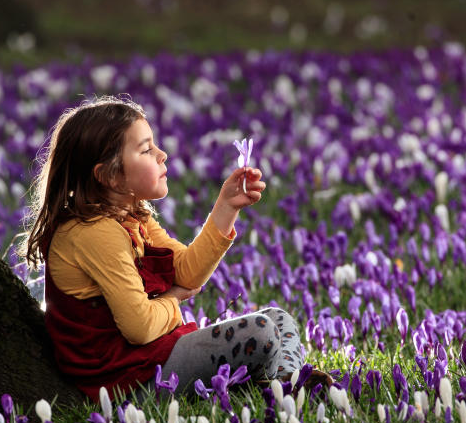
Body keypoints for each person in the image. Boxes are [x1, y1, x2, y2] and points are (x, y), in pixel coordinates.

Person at [21, 95, 311, 399]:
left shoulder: (131, 216)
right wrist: (173, 299)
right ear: (109, 175)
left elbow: (187, 273)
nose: (162, 155)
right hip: (128, 379)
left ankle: (283, 383)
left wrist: (226, 206)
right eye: (146, 149)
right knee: (261, 332)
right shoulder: (94, 233)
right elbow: (140, 327)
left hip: (150, 357)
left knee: (280, 320)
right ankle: (283, 383)